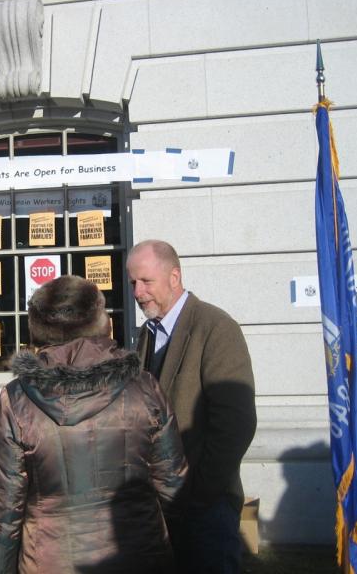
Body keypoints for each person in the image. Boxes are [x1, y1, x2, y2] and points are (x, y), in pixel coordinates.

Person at [0, 275, 188, 573]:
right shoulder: (143, 388)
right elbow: (173, 486)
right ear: (100, 322)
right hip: (139, 553)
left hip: (50, 560)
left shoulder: (18, 399)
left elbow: (2, 512)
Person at [126, 240, 257, 574]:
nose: (138, 293)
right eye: (132, 283)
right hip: (160, 508)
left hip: (207, 510)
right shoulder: (147, 334)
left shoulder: (216, 327)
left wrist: (199, 494)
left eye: (146, 281)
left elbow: (235, 425)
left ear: (174, 277)